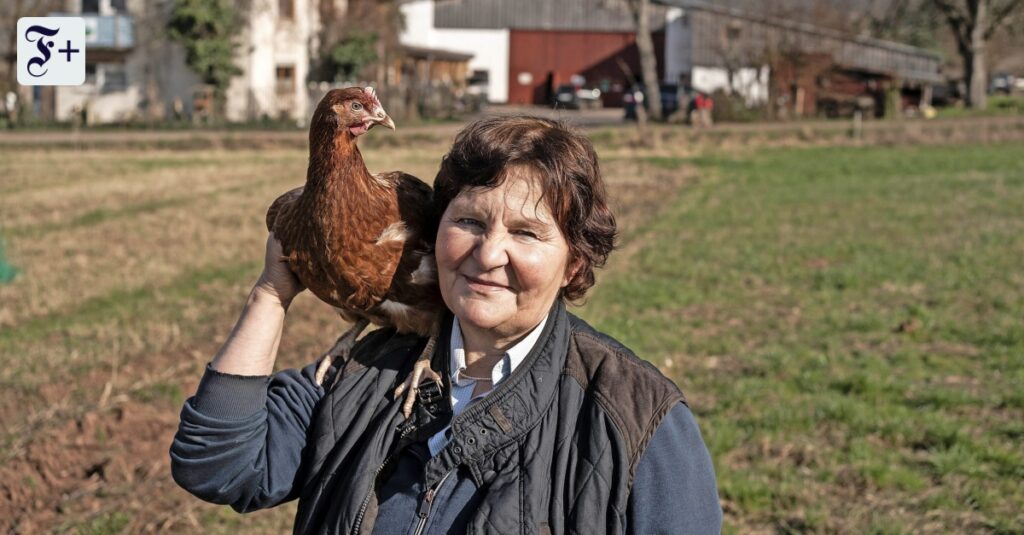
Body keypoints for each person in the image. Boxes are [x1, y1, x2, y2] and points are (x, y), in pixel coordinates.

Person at [170, 116, 722, 534]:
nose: (488, 254)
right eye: (469, 221)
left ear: (574, 261)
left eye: (526, 234)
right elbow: (215, 464)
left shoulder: (636, 417)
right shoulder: (361, 375)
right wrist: (271, 293)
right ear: (434, 232)